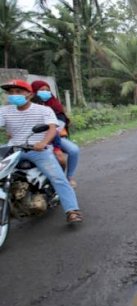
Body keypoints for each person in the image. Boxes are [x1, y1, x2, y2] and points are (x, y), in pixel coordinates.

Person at [0, 80, 83, 223]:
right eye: (11, 92)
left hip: (37, 149)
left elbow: (52, 128)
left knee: (57, 178)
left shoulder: (44, 110)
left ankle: (72, 210)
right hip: (13, 149)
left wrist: (43, 143)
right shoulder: (4, 110)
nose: (14, 95)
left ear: (30, 94)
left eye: (18, 92)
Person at [31, 80, 80, 187]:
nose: (45, 92)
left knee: (74, 150)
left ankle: (69, 177)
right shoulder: (29, 105)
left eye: (47, 90)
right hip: (32, 137)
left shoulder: (55, 104)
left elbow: (59, 125)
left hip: (54, 136)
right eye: (41, 90)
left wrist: (54, 145)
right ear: (34, 91)